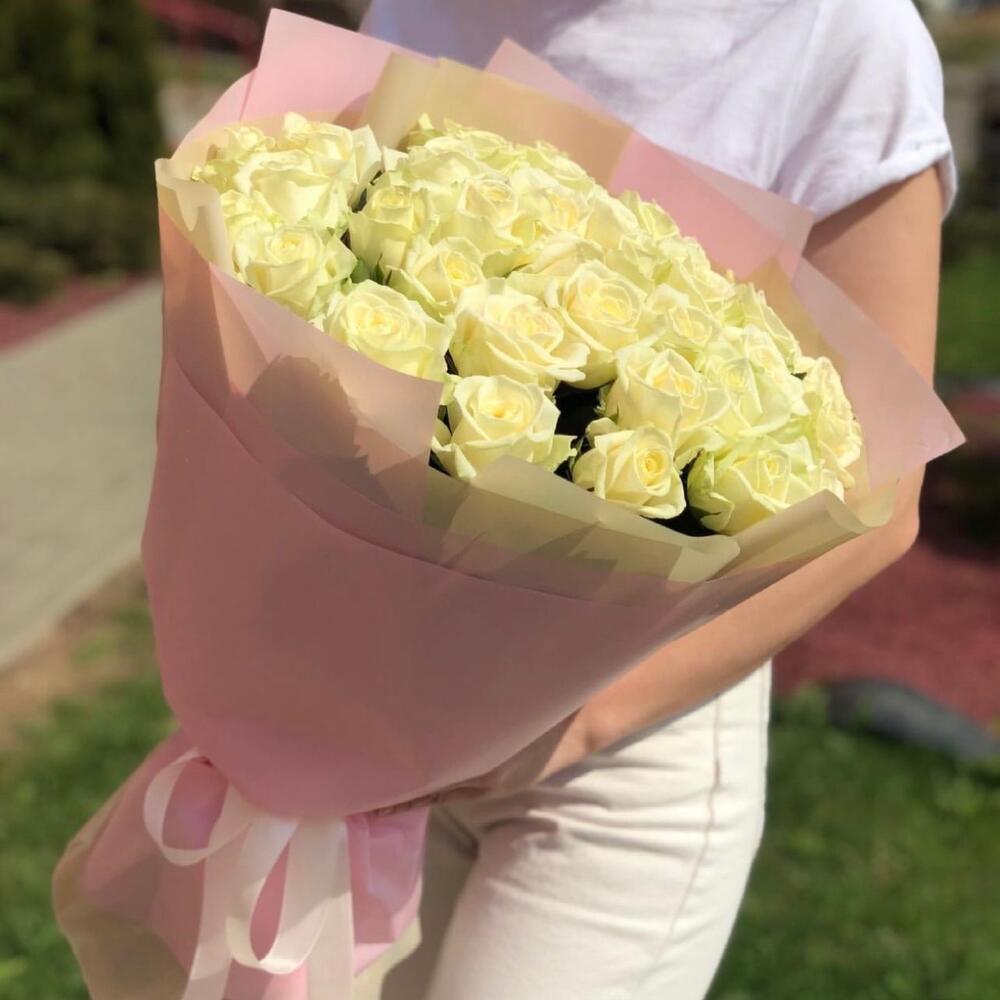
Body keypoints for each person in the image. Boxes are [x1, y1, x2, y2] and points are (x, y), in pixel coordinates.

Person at [354, 2, 955, 998]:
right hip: (385, 692)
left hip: (625, 744)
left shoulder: (836, 34)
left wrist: (581, 722)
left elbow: (882, 503)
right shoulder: (418, 6)